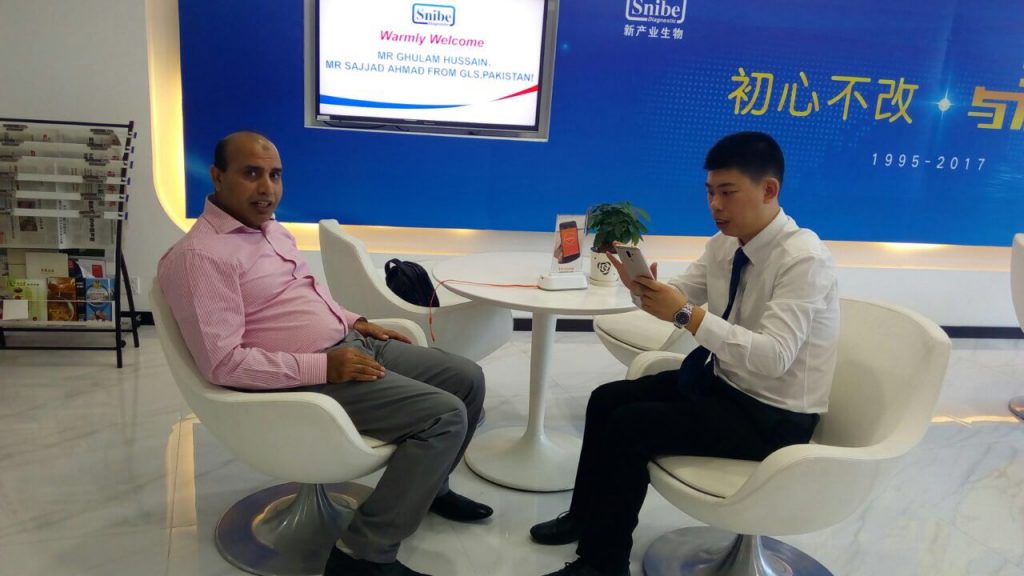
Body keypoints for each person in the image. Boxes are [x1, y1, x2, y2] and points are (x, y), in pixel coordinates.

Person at [158, 131, 491, 576]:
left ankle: (431, 490)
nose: (267, 188)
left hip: (348, 346)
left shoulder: (270, 230)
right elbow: (222, 364)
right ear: (217, 177)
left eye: (275, 175)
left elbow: (304, 297)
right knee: (444, 415)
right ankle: (363, 555)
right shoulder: (201, 256)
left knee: (468, 378)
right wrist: (325, 367)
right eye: (251, 173)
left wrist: (355, 320)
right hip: (306, 378)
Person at [529, 131, 840, 576]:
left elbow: (774, 357)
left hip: (773, 415)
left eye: (727, 192)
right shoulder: (725, 243)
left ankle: (603, 563)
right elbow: (682, 293)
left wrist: (686, 315)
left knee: (629, 427)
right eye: (710, 192)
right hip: (724, 384)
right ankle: (585, 517)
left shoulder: (803, 259)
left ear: (769, 190)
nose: (715, 205)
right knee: (605, 399)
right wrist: (643, 288)